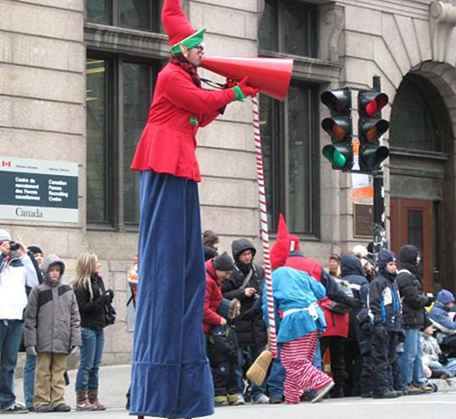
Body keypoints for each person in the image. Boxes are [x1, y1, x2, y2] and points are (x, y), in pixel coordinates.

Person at [128, 1, 258, 417]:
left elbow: (200, 115)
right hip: (165, 160)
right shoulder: (170, 76)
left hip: (178, 161)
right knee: (168, 267)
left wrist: (229, 96)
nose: (203, 51)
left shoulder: (185, 75)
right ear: (182, 48)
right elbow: (200, 106)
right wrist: (234, 91)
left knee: (181, 267)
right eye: (198, 46)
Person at [24, 255, 80, 413]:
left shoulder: (68, 291)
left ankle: (58, 400)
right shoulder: (38, 291)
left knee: (59, 372)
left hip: (62, 340)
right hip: (43, 340)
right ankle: (42, 401)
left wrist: (75, 340)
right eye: (52, 270)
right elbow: (30, 318)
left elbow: (75, 317)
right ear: (45, 271)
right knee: (43, 372)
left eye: (57, 270)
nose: (54, 273)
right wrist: (30, 343)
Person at [271, 266, 334, 404]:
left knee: (291, 360)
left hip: (296, 320)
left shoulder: (271, 279)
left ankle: (321, 381)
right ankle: (291, 395)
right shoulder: (302, 274)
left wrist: (273, 331)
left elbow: (269, 309)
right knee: (300, 359)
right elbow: (321, 291)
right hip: (314, 317)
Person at [222, 239, 268, 404]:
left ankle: (258, 392)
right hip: (238, 320)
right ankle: (238, 391)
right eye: (244, 254)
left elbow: (266, 292)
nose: (248, 257)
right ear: (237, 256)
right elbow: (222, 296)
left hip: (256, 322)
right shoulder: (231, 273)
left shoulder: (259, 271)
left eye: (249, 254)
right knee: (238, 360)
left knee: (259, 360)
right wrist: (242, 292)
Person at [0, 230, 39, 413]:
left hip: (15, 318)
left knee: (9, 362)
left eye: (9, 243)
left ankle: (7, 401)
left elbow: (35, 281)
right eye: (4, 243)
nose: (9, 247)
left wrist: (24, 255)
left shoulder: (19, 265)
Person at [73, 253, 113, 411]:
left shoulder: (98, 280)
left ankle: (93, 397)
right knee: (86, 365)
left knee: (95, 365)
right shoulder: (80, 285)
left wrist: (107, 299)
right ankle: (81, 399)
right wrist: (102, 300)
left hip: (98, 326)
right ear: (89, 265)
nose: (100, 265)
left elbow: (100, 303)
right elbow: (82, 309)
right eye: (97, 263)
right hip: (87, 327)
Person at [204, 253, 243, 407]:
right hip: (205, 328)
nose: (227, 277)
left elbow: (217, 300)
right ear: (218, 269)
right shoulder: (207, 281)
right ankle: (214, 393)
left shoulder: (214, 278)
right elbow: (202, 309)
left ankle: (227, 393)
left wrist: (229, 305)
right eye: (226, 273)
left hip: (210, 327)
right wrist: (219, 319)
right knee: (214, 362)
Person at [396, 245, 433, 395]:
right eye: (416, 256)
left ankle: (418, 380)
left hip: (414, 320)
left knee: (416, 353)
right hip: (409, 319)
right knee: (410, 353)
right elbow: (414, 299)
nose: (418, 259)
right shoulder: (405, 276)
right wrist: (428, 299)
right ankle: (407, 382)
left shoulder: (409, 275)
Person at [368, 250, 403, 398]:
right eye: (390, 264)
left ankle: (390, 385)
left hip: (393, 325)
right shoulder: (378, 282)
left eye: (394, 264)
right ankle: (381, 388)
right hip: (383, 324)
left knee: (390, 357)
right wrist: (378, 323)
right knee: (381, 357)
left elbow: (397, 305)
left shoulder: (392, 282)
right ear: (383, 266)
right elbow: (374, 304)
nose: (394, 267)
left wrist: (398, 324)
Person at [340, 255, 369, 397]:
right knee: (359, 354)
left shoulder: (340, 281)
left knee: (345, 356)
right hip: (358, 321)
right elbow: (366, 301)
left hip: (343, 321)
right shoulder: (362, 281)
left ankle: (346, 388)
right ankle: (359, 386)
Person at [23, 245, 45, 411]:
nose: (38, 258)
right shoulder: (28, 276)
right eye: (35, 256)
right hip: (31, 323)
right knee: (31, 362)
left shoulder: (45, 276)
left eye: (40, 255)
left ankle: (43, 398)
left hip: (45, 323)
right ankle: (30, 400)